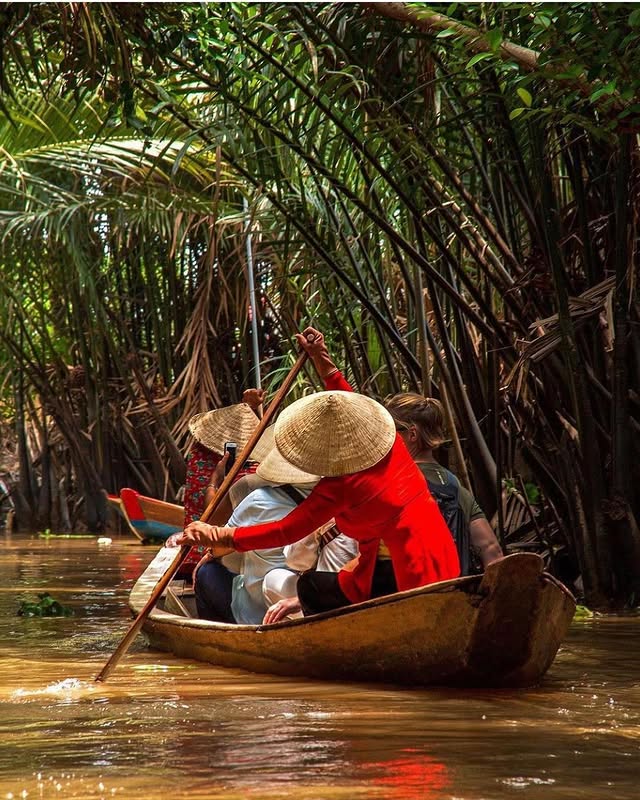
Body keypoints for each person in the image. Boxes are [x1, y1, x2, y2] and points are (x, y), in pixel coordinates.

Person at [171, 328, 460, 616]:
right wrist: (322, 359)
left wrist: (221, 535)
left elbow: (286, 530)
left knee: (309, 585)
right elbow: (349, 403)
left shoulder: (342, 484)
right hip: (443, 558)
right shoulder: (390, 444)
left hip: (408, 573)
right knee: (316, 585)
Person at [187, 426, 320, 623]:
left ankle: (217, 640)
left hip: (260, 610)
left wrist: (214, 483)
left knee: (207, 572)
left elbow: (218, 545)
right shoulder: (332, 498)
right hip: (308, 599)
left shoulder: (259, 499)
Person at [385, 394, 503, 575]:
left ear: (412, 434)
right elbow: (491, 549)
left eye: (390, 432)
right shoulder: (454, 485)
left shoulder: (393, 483)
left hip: (409, 593)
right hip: (453, 591)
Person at [178, 390, 263, 578]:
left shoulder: (198, 454)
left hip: (221, 550)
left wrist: (214, 482)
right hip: (231, 552)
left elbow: (213, 516)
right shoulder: (202, 457)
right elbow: (211, 516)